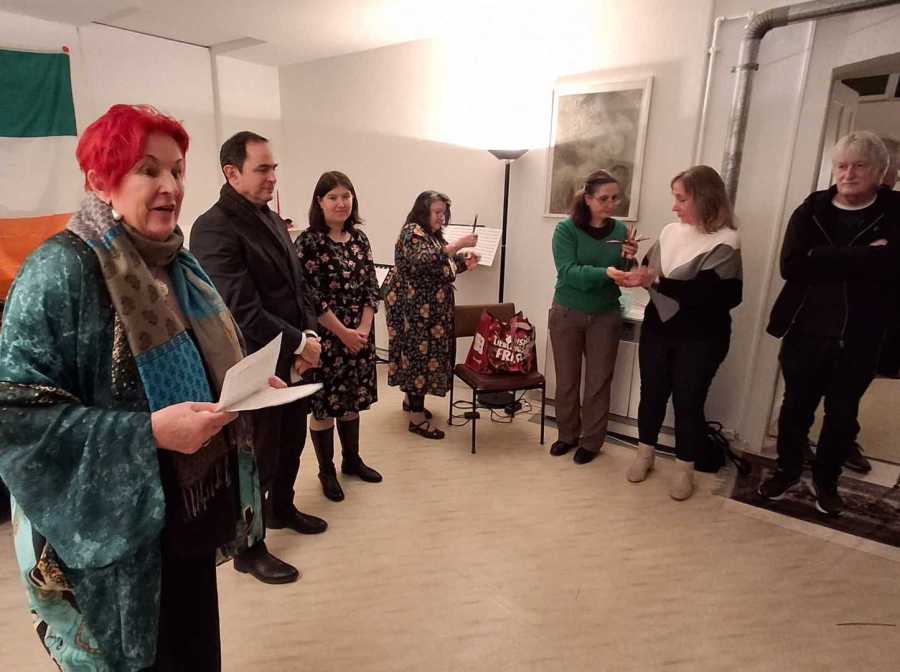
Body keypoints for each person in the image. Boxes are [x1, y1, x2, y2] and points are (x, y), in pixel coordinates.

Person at [0, 104, 264, 670]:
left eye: (177, 170)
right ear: (100, 180)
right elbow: (15, 417)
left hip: (189, 508)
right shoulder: (60, 271)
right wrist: (148, 434)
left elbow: (203, 359)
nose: (171, 186)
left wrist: (243, 386)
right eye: (148, 170)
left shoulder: (177, 262)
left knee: (194, 649)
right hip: (115, 537)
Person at [191, 131, 326, 584]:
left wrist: (308, 336)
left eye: (274, 168)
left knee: (291, 442)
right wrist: (300, 344)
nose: (272, 177)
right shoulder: (213, 228)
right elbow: (240, 309)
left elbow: (298, 286)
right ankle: (249, 548)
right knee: (258, 457)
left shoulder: (269, 217)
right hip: (252, 364)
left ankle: (282, 507)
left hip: (289, 355)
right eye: (262, 169)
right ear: (232, 173)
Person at [758, 131, 899, 515]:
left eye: (859, 166)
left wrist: (823, 257)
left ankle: (826, 482)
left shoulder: (895, 212)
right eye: (841, 166)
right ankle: (787, 470)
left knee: (841, 414)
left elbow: (893, 267)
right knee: (795, 409)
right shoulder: (812, 209)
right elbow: (792, 266)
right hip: (805, 330)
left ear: (879, 171)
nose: (848, 174)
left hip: (862, 336)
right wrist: (862, 256)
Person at [610, 165, 742, 501]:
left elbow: (715, 297)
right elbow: (651, 273)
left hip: (701, 337)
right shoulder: (669, 232)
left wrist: (653, 279)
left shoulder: (727, 241)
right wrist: (634, 266)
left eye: (681, 199)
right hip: (659, 328)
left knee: (688, 402)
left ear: (705, 199)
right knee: (651, 394)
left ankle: (685, 469)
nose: (674, 206)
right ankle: (645, 454)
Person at [295, 172, 382, 501]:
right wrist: (344, 333)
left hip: (359, 336)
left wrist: (363, 329)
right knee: (324, 407)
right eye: (333, 197)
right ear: (320, 202)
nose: (341, 203)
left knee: (351, 401)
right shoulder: (308, 242)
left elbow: (372, 286)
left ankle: (352, 460)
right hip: (326, 339)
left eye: (346, 196)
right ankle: (326, 470)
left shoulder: (360, 239)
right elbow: (309, 297)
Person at [548, 169, 636, 465]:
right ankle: (567, 435)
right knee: (567, 381)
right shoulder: (566, 230)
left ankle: (592, 441)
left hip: (605, 314)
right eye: (604, 198)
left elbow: (624, 273)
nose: (611, 204)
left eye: (615, 198)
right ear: (587, 199)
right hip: (567, 311)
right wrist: (605, 273)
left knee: (599, 382)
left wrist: (629, 258)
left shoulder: (621, 231)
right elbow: (568, 272)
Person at [384, 191, 478, 439]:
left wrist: (463, 264)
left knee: (420, 357)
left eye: (444, 212)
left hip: (428, 312)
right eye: (437, 212)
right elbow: (423, 260)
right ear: (423, 211)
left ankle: (411, 403)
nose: (442, 217)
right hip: (415, 311)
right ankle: (416, 420)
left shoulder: (431, 235)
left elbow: (439, 267)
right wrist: (458, 245)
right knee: (418, 358)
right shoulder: (412, 232)